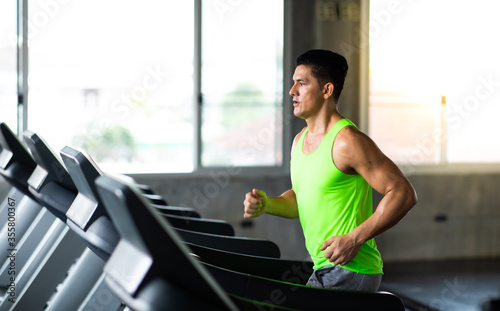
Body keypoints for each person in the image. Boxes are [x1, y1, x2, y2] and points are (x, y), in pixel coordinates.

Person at [243, 49, 417, 292]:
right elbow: (300, 199)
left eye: (301, 83)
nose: (292, 91)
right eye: (293, 83)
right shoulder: (299, 141)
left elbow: (403, 193)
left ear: (327, 90)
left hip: (351, 269)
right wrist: (267, 205)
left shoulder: (347, 141)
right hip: (323, 267)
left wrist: (354, 239)